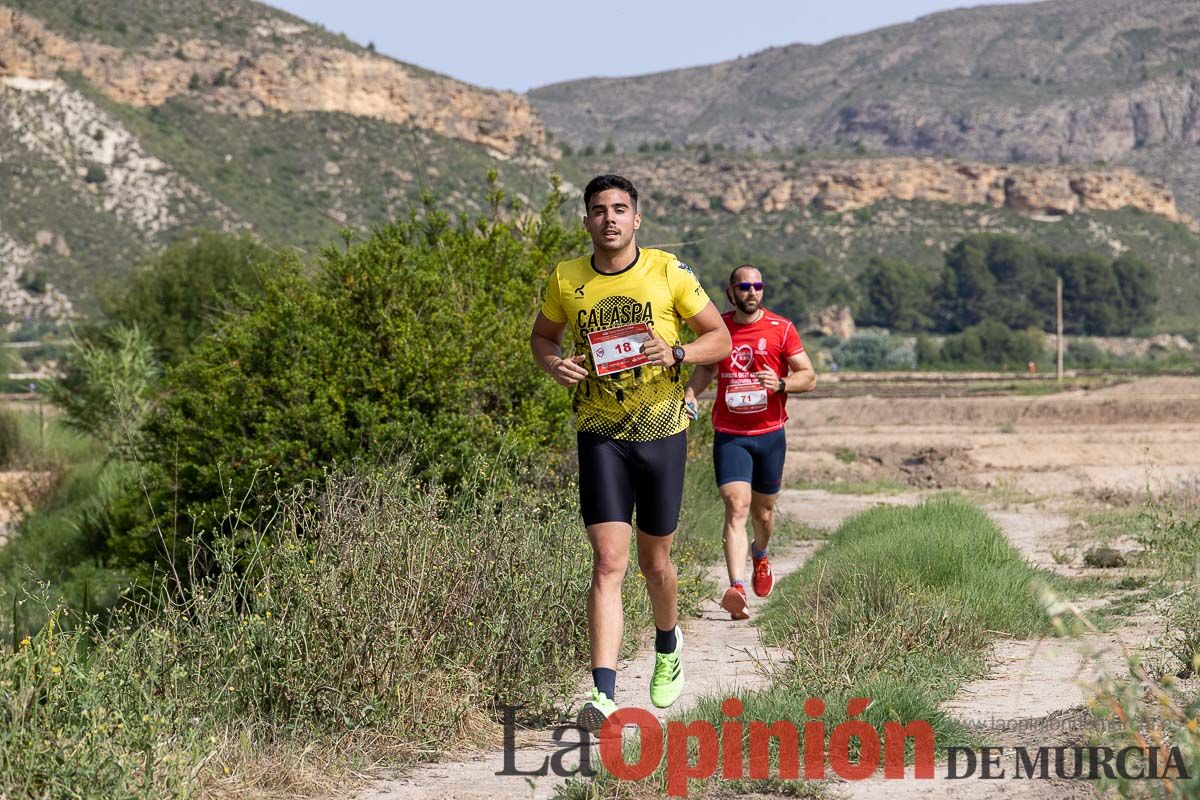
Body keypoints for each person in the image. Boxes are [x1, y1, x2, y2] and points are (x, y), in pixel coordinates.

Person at [530, 175, 731, 732]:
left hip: (661, 433)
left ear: (636, 218)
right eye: (598, 211)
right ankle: (605, 695)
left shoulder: (668, 270)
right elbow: (542, 338)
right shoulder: (567, 279)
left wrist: (678, 349)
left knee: (655, 563)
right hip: (599, 434)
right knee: (607, 563)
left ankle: (668, 644)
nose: (609, 219)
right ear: (586, 221)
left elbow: (721, 338)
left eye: (620, 209)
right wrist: (553, 365)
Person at [684, 265, 816, 620]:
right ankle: (736, 588)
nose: (751, 291)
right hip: (731, 435)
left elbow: (809, 376)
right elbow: (707, 368)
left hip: (770, 435)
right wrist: (691, 393)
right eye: (744, 286)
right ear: (731, 292)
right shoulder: (720, 329)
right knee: (736, 506)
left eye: (757, 285)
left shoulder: (780, 329)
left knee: (763, 512)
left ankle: (760, 554)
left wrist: (783, 384)